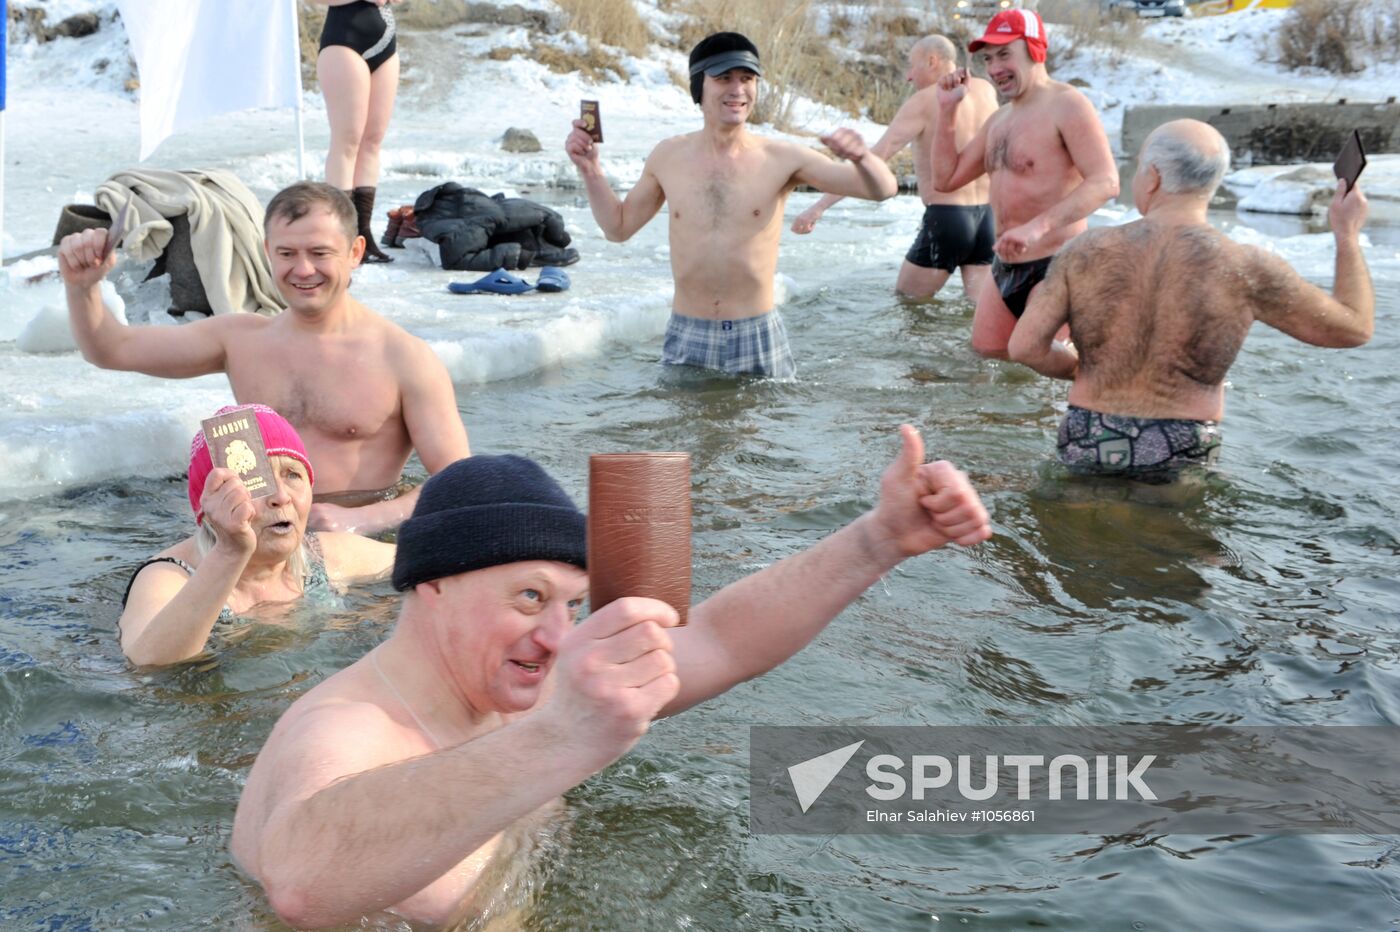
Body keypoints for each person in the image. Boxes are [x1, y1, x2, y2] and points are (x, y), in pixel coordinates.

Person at [230, 426, 992, 928]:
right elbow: (301, 878)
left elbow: (721, 639)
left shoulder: (516, 689)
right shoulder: (346, 726)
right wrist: (560, 737)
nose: (559, 635)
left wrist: (879, 540)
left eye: (571, 602)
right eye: (529, 597)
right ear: (433, 583)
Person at [59, 182, 472, 536]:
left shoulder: (403, 357)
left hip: (360, 545)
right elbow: (111, 349)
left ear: (355, 251)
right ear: (267, 251)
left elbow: (460, 482)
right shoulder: (240, 340)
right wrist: (82, 288)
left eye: (320, 253)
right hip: (256, 533)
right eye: (287, 253)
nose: (303, 269)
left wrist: (364, 519)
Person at [1008, 119, 1375, 481]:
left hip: (1089, 428)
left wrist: (1080, 368)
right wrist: (1346, 234)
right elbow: (1353, 328)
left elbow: (1025, 347)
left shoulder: (1083, 251)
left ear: (1152, 176)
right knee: (1171, 538)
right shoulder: (1246, 266)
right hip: (1182, 439)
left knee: (1073, 534)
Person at [564, 32, 899, 378]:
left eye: (747, 78)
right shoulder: (668, 156)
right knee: (684, 431)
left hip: (757, 334)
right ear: (699, 87)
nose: (738, 89)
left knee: (760, 432)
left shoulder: (782, 158)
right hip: (687, 333)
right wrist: (590, 170)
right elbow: (618, 228)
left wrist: (862, 158)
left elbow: (882, 189)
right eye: (724, 78)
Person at [119, 405, 395, 667]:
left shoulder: (326, 557)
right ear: (211, 505)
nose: (281, 497)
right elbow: (148, 664)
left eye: (292, 475)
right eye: (257, 482)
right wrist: (230, 552)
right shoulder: (169, 576)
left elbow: (427, 557)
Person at [930, 9, 1119, 358]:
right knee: (987, 361)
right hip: (1005, 267)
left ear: (1036, 50)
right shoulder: (999, 119)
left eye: (1005, 54)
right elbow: (946, 179)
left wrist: (1037, 227)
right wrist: (946, 112)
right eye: (988, 58)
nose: (995, 67)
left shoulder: (1068, 104)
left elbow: (1106, 181)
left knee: (1041, 371)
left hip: (1059, 264)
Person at [790, 35, 999, 301]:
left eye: (912, 66)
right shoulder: (986, 90)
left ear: (932, 61)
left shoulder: (924, 100)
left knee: (907, 303)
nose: (909, 77)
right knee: (978, 314)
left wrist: (818, 207)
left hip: (947, 220)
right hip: (990, 219)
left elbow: (874, 159)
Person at [314, 0, 404, 263]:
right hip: (344, 43)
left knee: (372, 140)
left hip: (386, 44)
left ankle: (363, 234)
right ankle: (341, 237)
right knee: (347, 141)